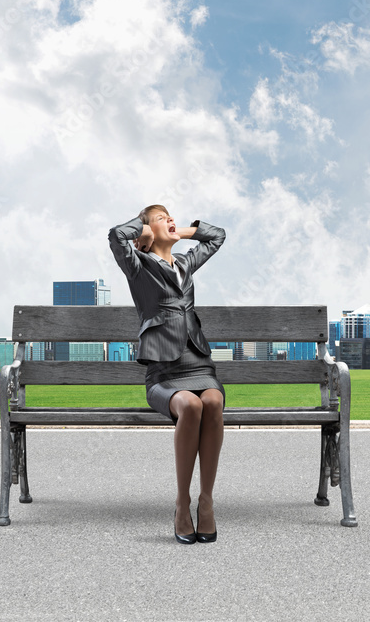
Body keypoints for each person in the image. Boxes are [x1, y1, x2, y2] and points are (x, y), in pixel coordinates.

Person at [108, 205, 226, 544]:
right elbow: (117, 235)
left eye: (171, 215)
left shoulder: (185, 264)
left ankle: (206, 502)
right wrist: (144, 230)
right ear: (145, 235)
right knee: (190, 406)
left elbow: (217, 236)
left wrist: (180, 231)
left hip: (198, 362)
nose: (170, 220)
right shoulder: (137, 265)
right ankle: (181, 504)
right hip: (163, 374)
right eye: (162, 218)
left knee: (213, 401)